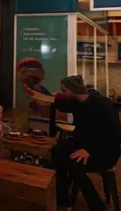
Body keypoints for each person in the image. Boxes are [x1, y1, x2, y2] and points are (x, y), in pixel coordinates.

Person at [39, 75, 121, 211]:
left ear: (73, 90)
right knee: (58, 151)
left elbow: (114, 136)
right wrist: (36, 93)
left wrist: (90, 150)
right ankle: (63, 200)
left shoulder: (103, 106)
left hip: (104, 152)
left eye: (63, 91)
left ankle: (97, 207)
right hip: (84, 145)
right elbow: (59, 103)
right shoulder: (77, 101)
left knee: (73, 165)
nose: (61, 93)